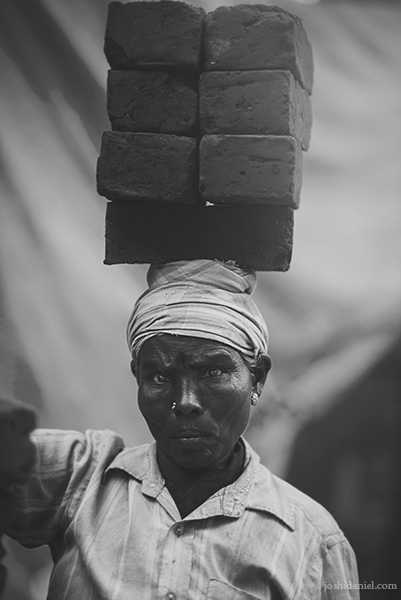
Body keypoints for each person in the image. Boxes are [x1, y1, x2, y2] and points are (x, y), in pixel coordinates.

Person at [5, 260, 359, 599]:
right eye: (160, 377)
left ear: (257, 378)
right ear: (137, 379)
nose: (186, 401)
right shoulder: (79, 478)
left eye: (212, 372)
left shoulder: (311, 539)